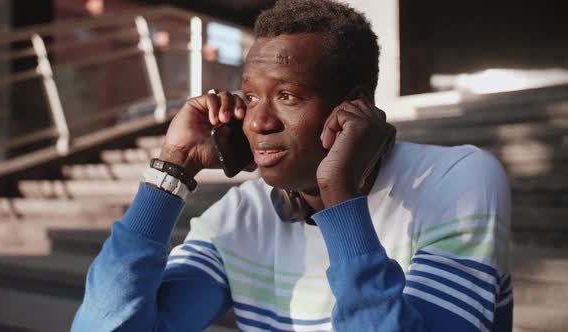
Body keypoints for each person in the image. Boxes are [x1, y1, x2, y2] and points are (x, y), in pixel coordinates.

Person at [71, 0, 513, 331]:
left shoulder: (457, 181)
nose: (259, 122)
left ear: (356, 106)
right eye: (249, 97)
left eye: (287, 97)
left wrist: (339, 195)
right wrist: (174, 167)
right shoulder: (239, 216)